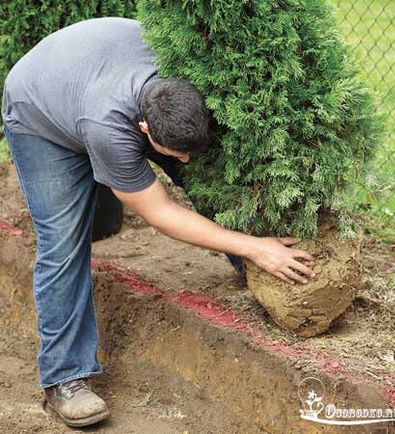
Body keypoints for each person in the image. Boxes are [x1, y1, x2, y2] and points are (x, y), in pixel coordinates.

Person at [1, 17, 315, 427]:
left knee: (206, 175)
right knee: (63, 246)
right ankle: (66, 379)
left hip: (95, 71)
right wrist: (254, 245)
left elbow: (189, 154)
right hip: (38, 111)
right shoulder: (109, 129)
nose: (181, 161)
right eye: (173, 153)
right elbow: (161, 213)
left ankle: (256, 269)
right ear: (145, 128)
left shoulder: (183, 77)